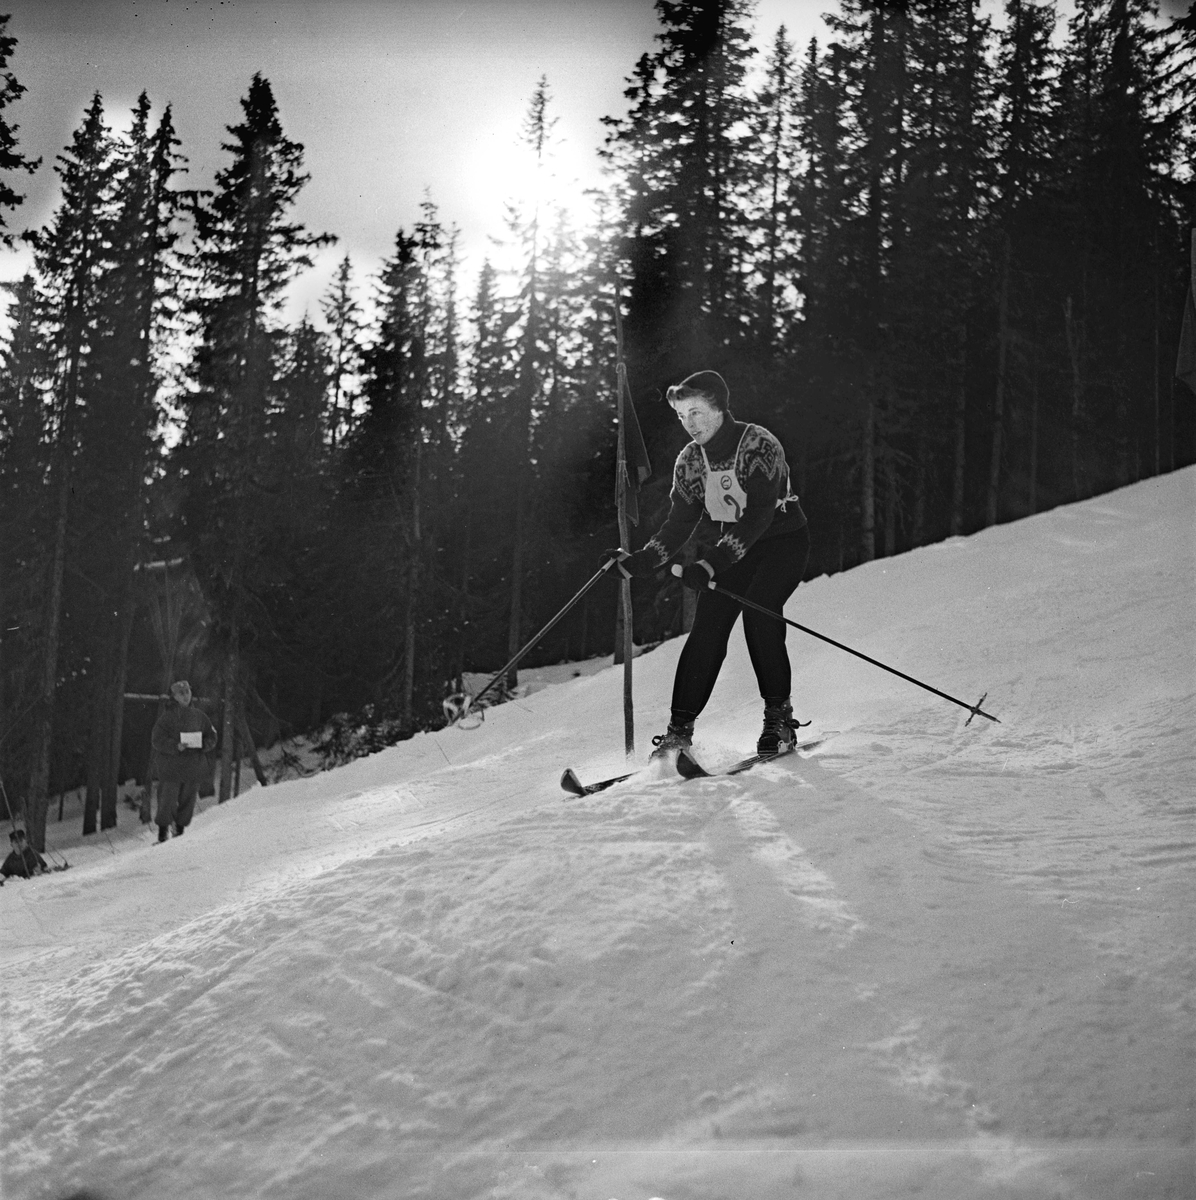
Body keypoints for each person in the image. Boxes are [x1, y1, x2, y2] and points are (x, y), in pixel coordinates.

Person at [605, 370, 809, 758]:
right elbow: (679, 523)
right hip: (736, 551)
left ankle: (779, 720)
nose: (689, 424)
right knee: (706, 632)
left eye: (696, 412)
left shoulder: (758, 444)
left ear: (719, 407)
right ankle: (679, 731)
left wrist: (711, 564)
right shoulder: (690, 463)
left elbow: (758, 517)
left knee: (760, 613)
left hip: (782, 544)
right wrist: (640, 562)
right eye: (682, 416)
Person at [150, 681, 216, 843]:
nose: (186, 696)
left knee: (188, 800)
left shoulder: (200, 716)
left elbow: (212, 736)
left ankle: (179, 830)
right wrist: (175, 746)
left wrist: (203, 745)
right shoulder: (166, 718)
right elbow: (157, 740)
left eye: (187, 692)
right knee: (167, 800)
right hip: (171, 768)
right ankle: (163, 833)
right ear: (174, 697)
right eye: (181, 693)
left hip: (193, 768)